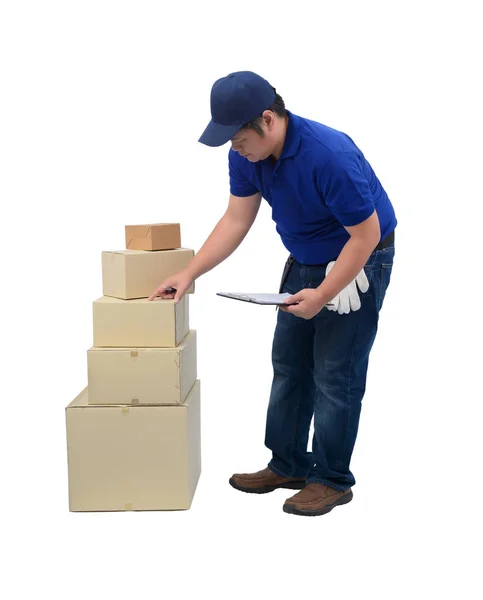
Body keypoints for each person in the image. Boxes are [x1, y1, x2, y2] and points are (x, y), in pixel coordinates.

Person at [149, 71, 397, 517]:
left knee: (334, 374)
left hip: (357, 257)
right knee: (289, 365)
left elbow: (366, 234)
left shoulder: (329, 155)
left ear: (268, 119)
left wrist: (325, 291)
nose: (234, 148)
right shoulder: (247, 155)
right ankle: (287, 465)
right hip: (303, 258)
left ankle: (332, 480)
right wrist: (190, 273)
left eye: (238, 137)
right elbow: (236, 220)